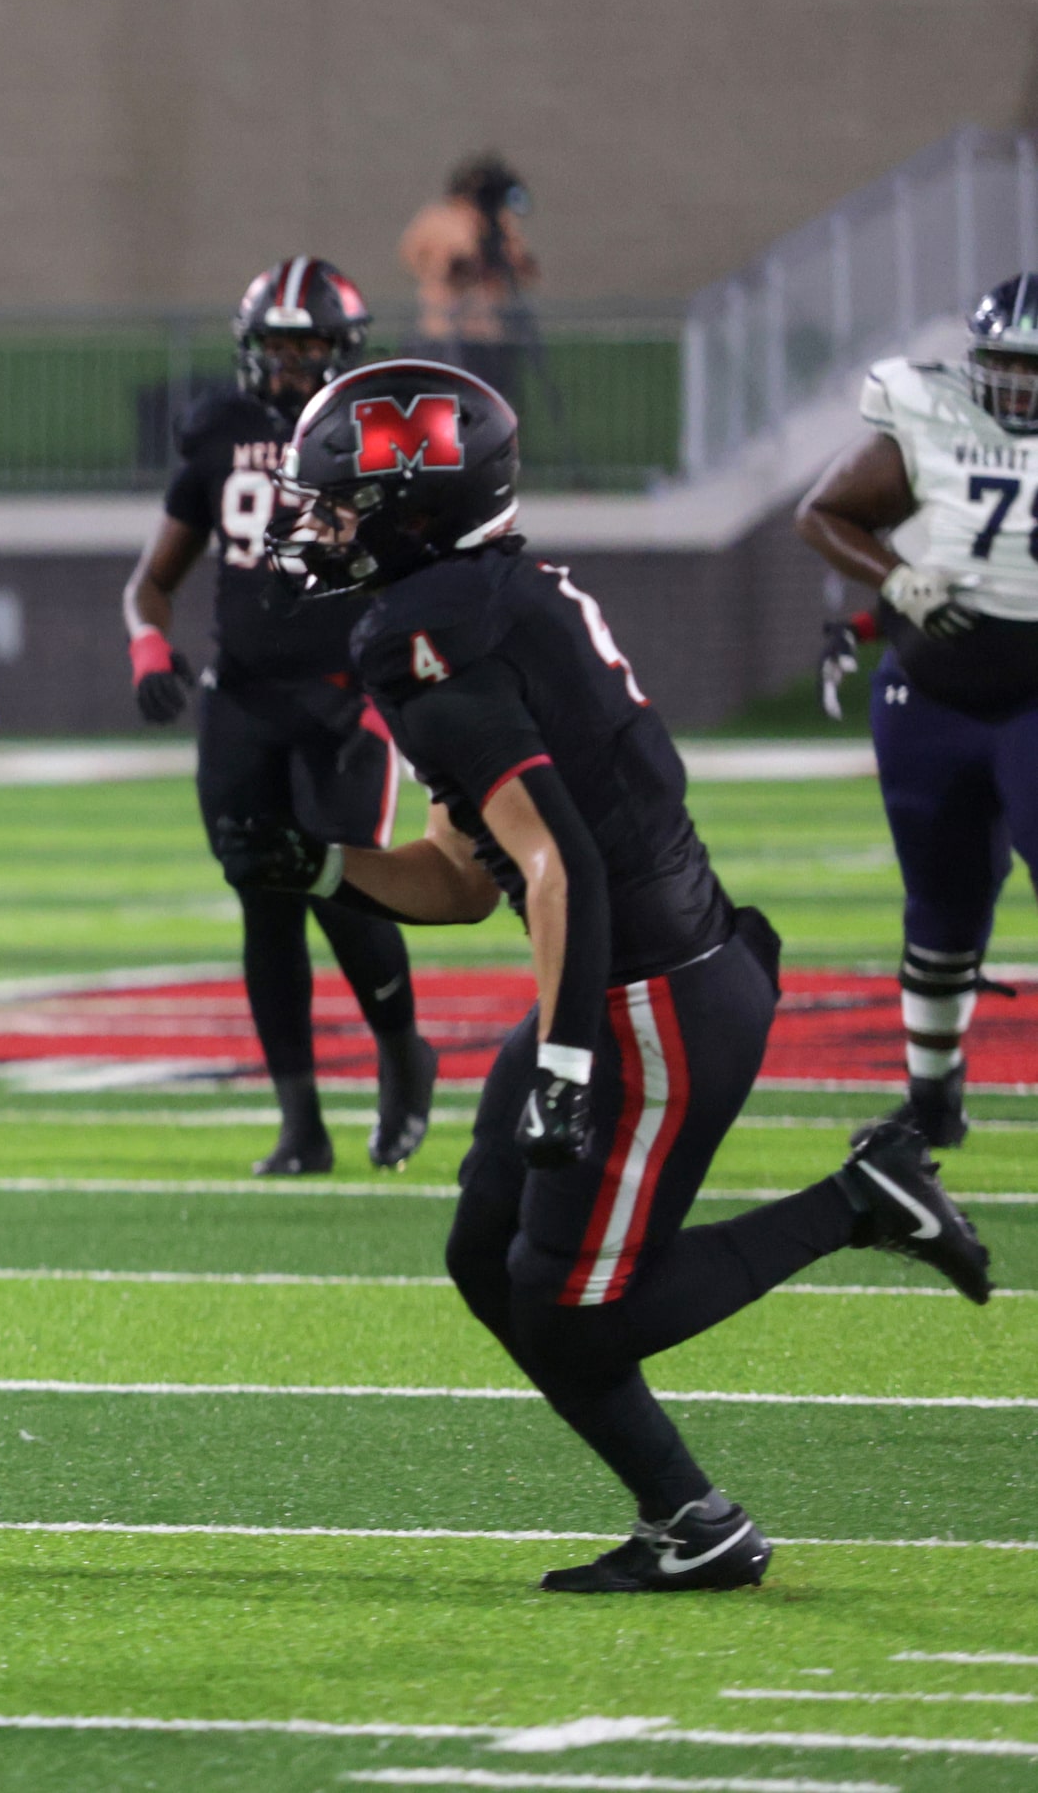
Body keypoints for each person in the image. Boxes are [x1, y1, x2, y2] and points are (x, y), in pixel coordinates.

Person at [217, 358, 992, 1591]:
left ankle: (861, 1202)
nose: (315, 524)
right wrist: (319, 873)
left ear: (415, 510)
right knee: (487, 1259)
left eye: (340, 502)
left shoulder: (428, 630)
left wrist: (566, 1068)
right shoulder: (466, 605)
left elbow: (557, 862)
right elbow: (469, 878)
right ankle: (689, 1520)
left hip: (649, 997)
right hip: (631, 979)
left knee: (574, 1311)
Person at [123, 257, 438, 1174]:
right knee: (263, 904)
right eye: (276, 345)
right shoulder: (219, 432)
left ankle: (400, 1050)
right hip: (245, 698)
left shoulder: (382, 436)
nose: (290, 363)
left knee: (347, 883)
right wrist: (149, 646)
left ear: (342, 349)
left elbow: (422, 575)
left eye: (307, 345)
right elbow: (153, 580)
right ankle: (300, 1123)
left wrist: (396, 696)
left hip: (346, 698)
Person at [794, 273, 1038, 1147]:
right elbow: (821, 512)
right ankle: (933, 1107)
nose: (1018, 386)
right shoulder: (933, 416)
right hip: (928, 698)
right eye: (1006, 365)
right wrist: (894, 576)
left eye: (1034, 368)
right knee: (939, 910)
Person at [398, 155, 539, 407]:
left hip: (488, 334)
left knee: (492, 405)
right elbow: (425, 260)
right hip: (443, 331)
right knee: (442, 403)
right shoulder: (438, 218)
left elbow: (524, 268)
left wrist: (502, 256)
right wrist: (466, 261)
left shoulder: (499, 221)